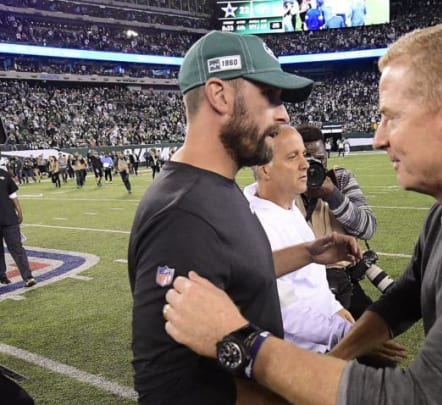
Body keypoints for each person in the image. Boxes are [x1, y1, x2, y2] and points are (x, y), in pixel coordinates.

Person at [163, 14, 442, 404]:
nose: (379, 137)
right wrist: (338, 357)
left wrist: (240, 341)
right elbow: (407, 296)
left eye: (391, 117)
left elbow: (418, 397)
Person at [128, 31, 359, 405]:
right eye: (269, 96)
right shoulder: (182, 216)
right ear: (219, 95)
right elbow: (166, 387)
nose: (283, 114)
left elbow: (235, 276)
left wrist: (308, 254)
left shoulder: (217, 187)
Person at [245, 125, 353, 352]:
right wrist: (340, 332)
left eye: (304, 154)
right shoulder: (255, 223)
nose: (305, 164)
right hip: (293, 359)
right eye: (293, 156)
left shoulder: (288, 207)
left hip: (318, 346)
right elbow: (283, 308)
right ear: (265, 170)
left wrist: (333, 309)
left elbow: (310, 282)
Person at [296, 124, 381, 320]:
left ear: (327, 155)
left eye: (319, 159)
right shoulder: (286, 184)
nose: (312, 167)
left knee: (370, 337)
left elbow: (368, 228)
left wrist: (333, 196)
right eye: (306, 159)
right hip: (300, 278)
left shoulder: (340, 179)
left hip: (341, 277)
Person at [0, 166, 36, 288]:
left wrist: (19, 211)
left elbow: (13, 195)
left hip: (9, 218)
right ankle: (2, 275)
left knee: (17, 247)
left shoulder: (4, 174)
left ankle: (28, 277)